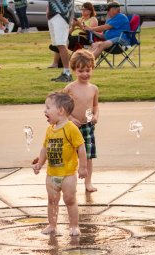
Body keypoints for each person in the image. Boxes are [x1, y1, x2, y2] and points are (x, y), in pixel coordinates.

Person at [32, 92, 87, 236]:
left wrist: (83, 167)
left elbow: (81, 147)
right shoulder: (50, 129)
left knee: (70, 200)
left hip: (68, 174)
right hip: (52, 173)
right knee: (52, 201)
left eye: (48, 108)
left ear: (61, 111)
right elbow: (45, 148)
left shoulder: (70, 128)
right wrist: (40, 163)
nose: (45, 111)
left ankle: (74, 226)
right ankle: (52, 225)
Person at [64, 49, 99, 192]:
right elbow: (62, 108)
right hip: (71, 128)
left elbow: (95, 105)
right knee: (70, 155)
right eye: (81, 71)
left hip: (87, 127)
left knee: (88, 157)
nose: (85, 74)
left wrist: (96, 116)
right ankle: (68, 182)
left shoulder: (94, 89)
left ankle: (88, 182)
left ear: (92, 68)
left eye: (88, 70)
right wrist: (70, 118)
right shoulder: (69, 89)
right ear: (74, 70)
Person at [48, 2, 98, 69]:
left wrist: (79, 25)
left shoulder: (93, 19)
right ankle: (56, 63)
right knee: (60, 41)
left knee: (63, 42)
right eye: (82, 9)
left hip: (84, 38)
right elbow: (69, 32)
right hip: (73, 37)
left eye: (85, 9)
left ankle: (64, 62)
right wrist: (73, 27)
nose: (83, 11)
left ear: (90, 11)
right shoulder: (79, 19)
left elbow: (91, 32)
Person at [47, 0, 73, 82]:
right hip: (53, 14)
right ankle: (65, 72)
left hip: (61, 14)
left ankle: (67, 73)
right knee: (59, 45)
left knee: (61, 44)